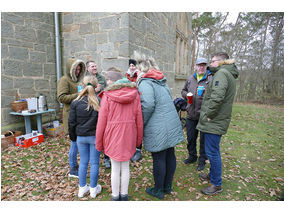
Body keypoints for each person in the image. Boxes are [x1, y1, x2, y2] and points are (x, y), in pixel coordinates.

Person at [135, 53, 184, 200]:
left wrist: (141, 123)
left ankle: (158, 190)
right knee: (170, 154)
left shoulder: (145, 82)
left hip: (158, 126)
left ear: (142, 68)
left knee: (159, 157)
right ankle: (167, 186)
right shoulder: (160, 80)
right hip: (170, 122)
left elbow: (148, 104)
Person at [95, 68, 143, 201]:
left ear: (114, 80)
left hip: (112, 135)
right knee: (125, 166)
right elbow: (139, 120)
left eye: (109, 79)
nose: (107, 82)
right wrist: (138, 140)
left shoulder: (107, 95)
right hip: (129, 134)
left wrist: (99, 143)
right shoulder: (135, 94)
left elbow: (101, 122)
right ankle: (124, 195)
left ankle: (115, 197)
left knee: (115, 168)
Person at [196, 52, 239, 195]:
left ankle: (216, 184)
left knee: (212, 152)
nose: (211, 64)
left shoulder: (222, 74)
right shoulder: (227, 73)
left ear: (222, 62)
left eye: (213, 61)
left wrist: (209, 115)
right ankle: (212, 176)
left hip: (214, 120)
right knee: (213, 150)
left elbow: (217, 97)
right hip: (217, 120)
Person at [68, 75, 102, 198]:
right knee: (94, 163)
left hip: (81, 137)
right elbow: (102, 122)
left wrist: (73, 137)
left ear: (83, 84)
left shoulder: (76, 102)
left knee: (83, 162)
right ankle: (93, 189)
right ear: (96, 86)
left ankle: (82, 188)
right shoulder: (99, 101)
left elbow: (71, 122)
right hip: (94, 137)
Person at [181, 57, 212, 171]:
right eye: (199, 65)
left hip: (203, 116)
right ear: (195, 67)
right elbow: (183, 91)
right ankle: (192, 156)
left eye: (203, 65)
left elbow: (214, 95)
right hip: (190, 114)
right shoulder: (190, 78)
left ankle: (202, 161)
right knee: (191, 138)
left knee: (203, 141)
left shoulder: (210, 79)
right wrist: (187, 95)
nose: (201, 67)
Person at [57, 58, 86, 178]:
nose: (78, 72)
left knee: (78, 143)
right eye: (76, 69)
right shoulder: (64, 80)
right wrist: (78, 95)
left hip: (80, 116)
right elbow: (61, 97)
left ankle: (76, 166)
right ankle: (73, 169)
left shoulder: (79, 81)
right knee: (74, 143)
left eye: (79, 69)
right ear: (70, 69)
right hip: (70, 116)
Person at [86, 60, 110, 169]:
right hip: (89, 110)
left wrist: (100, 91)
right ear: (87, 68)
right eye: (92, 66)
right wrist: (94, 91)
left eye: (95, 65)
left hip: (101, 109)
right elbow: (82, 92)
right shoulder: (84, 79)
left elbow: (106, 92)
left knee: (104, 132)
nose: (95, 67)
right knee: (92, 133)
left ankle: (106, 158)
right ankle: (93, 157)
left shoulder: (102, 78)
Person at [126, 59, 142, 162]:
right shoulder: (126, 76)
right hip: (129, 102)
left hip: (138, 101)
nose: (132, 67)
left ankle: (138, 149)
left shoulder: (139, 76)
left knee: (139, 125)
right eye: (131, 65)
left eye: (134, 65)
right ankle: (131, 147)